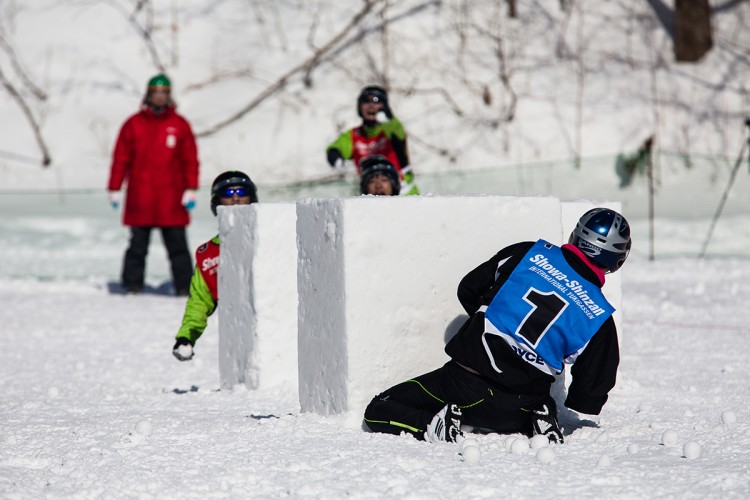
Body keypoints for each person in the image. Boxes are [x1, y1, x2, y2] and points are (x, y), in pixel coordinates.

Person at [364, 208, 631, 445]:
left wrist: (492, 317)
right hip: (523, 406)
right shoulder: (600, 315)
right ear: (617, 261)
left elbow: (468, 288)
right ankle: (538, 419)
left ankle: (433, 426)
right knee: (535, 398)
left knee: (379, 409)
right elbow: (590, 392)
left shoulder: (528, 253)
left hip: (465, 387)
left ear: (576, 235)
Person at [107, 73, 200, 296]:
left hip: (171, 199)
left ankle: (184, 288)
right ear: (148, 95)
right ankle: (131, 286)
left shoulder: (180, 125)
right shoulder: (133, 125)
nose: (159, 97)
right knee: (137, 247)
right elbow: (121, 159)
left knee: (178, 246)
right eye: (155, 92)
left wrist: (191, 188)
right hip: (141, 197)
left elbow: (190, 159)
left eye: (164, 93)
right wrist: (114, 187)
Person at [172, 171, 258, 362]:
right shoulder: (209, 254)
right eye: (227, 194)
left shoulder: (273, 237)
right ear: (216, 204)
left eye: (242, 191)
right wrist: (187, 336)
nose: (235, 198)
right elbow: (200, 300)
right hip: (243, 344)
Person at [326, 85, 419, 195]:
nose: (371, 105)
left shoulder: (389, 129)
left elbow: (398, 133)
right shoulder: (354, 135)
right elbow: (336, 148)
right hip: (371, 195)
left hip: (404, 192)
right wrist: (335, 158)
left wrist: (388, 117)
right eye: (366, 101)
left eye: (376, 101)